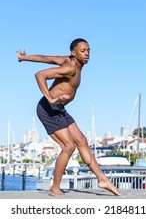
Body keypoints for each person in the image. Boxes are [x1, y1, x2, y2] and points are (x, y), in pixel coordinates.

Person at [16, 38, 120, 197]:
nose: (87, 54)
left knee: (82, 140)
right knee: (68, 146)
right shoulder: (70, 68)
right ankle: (54, 188)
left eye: (88, 51)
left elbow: (45, 58)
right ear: (74, 53)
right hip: (48, 108)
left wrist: (24, 57)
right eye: (83, 51)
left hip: (59, 109)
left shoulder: (68, 61)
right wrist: (50, 97)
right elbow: (40, 75)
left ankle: (102, 179)